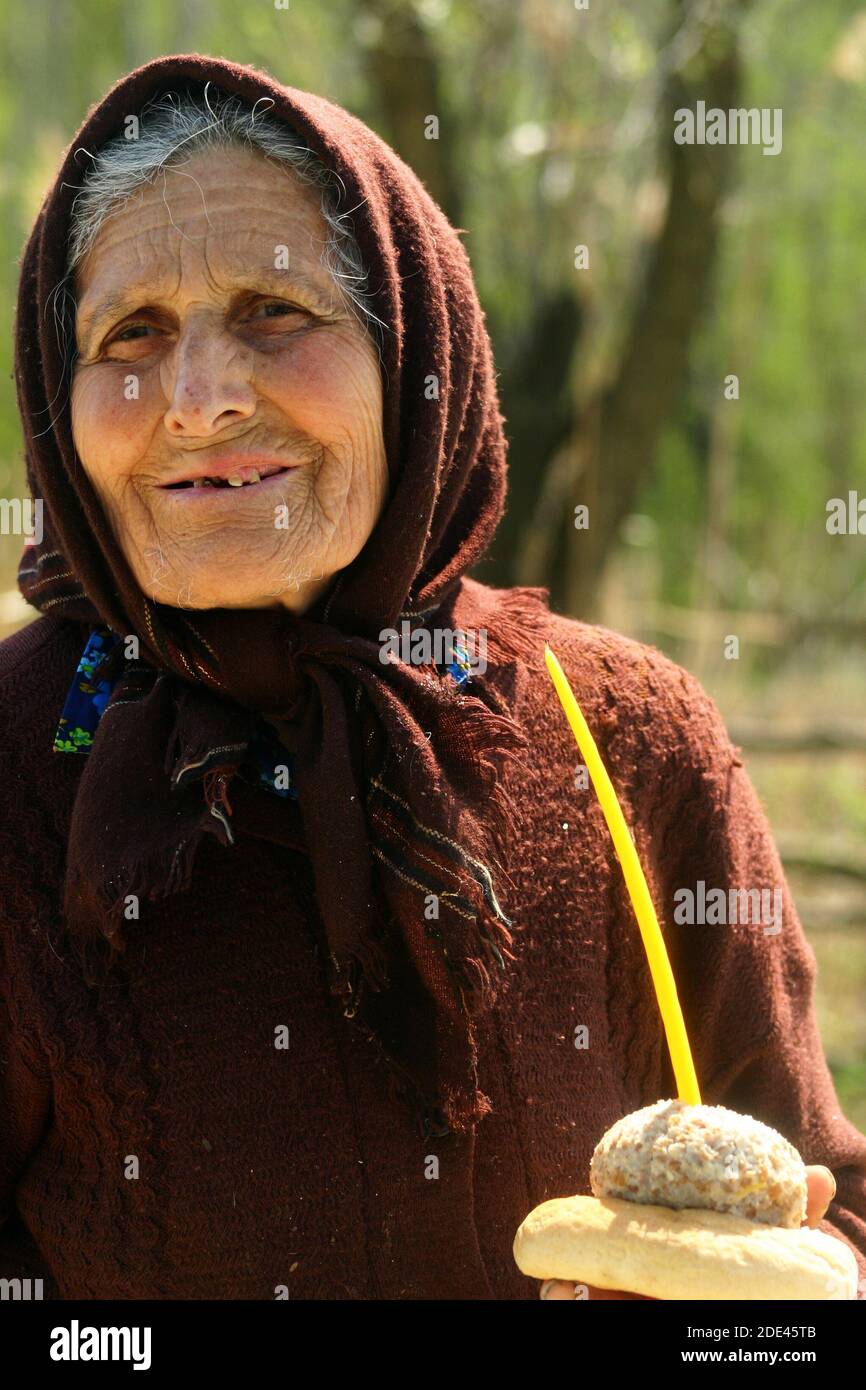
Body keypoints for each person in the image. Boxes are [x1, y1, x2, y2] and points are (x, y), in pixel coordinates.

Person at [1, 53, 863, 1301]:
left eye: (275, 313)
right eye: (130, 333)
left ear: (414, 355)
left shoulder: (629, 740)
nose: (196, 400)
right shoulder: (23, 762)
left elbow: (820, 1217)